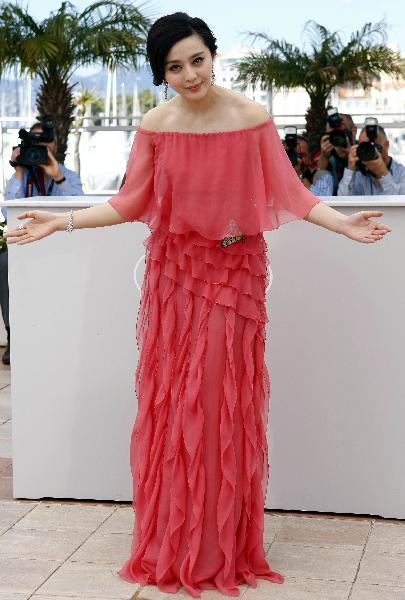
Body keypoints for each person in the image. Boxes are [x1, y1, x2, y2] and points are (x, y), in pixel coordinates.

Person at [4, 12, 392, 598]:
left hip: (233, 277)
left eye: (198, 60)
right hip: (174, 275)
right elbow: (131, 201)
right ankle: (175, 540)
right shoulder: (158, 123)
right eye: (174, 68)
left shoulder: (252, 118)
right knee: (173, 402)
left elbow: (291, 194)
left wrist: (345, 226)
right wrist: (62, 224)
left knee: (217, 400)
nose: (190, 75)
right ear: (162, 75)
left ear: (214, 54)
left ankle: (217, 544)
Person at [0, 122, 83, 365]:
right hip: (25, 242)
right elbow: (7, 213)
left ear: (55, 145)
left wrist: (56, 177)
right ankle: (13, 333)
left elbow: (79, 207)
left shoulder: (68, 175)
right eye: (35, 145)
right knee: (4, 263)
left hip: (60, 242)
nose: (40, 150)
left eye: (45, 144)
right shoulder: (21, 176)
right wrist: (17, 170)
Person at [337, 124, 405, 196]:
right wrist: (350, 169)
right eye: (364, 146)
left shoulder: (401, 173)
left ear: (386, 145)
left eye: (373, 146)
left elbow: (398, 204)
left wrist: (383, 173)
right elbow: (343, 200)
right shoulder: (359, 175)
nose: (368, 151)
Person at [317, 113, 358, 194]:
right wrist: (324, 158)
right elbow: (319, 193)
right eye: (333, 134)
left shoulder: (365, 151)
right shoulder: (327, 155)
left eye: (341, 132)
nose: (338, 138)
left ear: (354, 131)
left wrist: (352, 158)